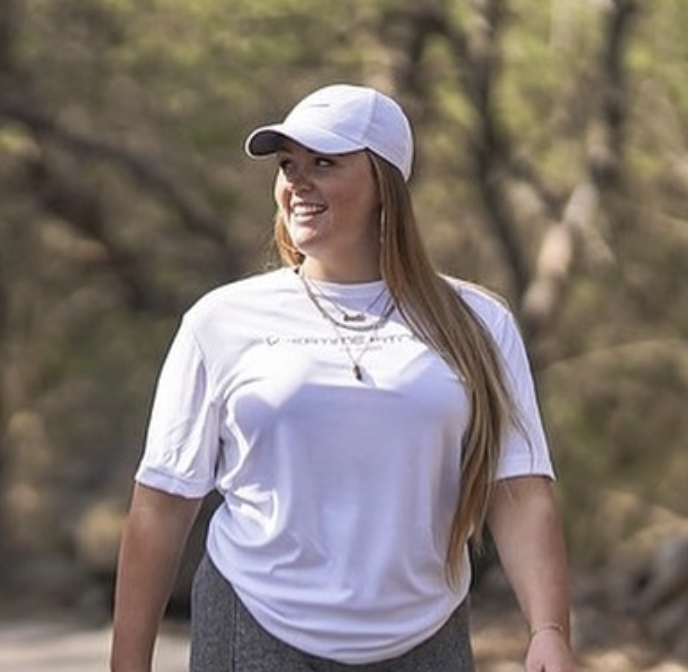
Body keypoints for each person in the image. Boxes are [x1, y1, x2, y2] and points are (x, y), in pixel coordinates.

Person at [110, 83, 576, 672]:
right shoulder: (220, 321)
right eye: (288, 165)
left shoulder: (479, 323)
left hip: (424, 637)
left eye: (324, 163)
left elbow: (520, 491)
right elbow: (161, 506)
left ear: (386, 183)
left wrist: (549, 630)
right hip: (256, 628)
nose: (297, 183)